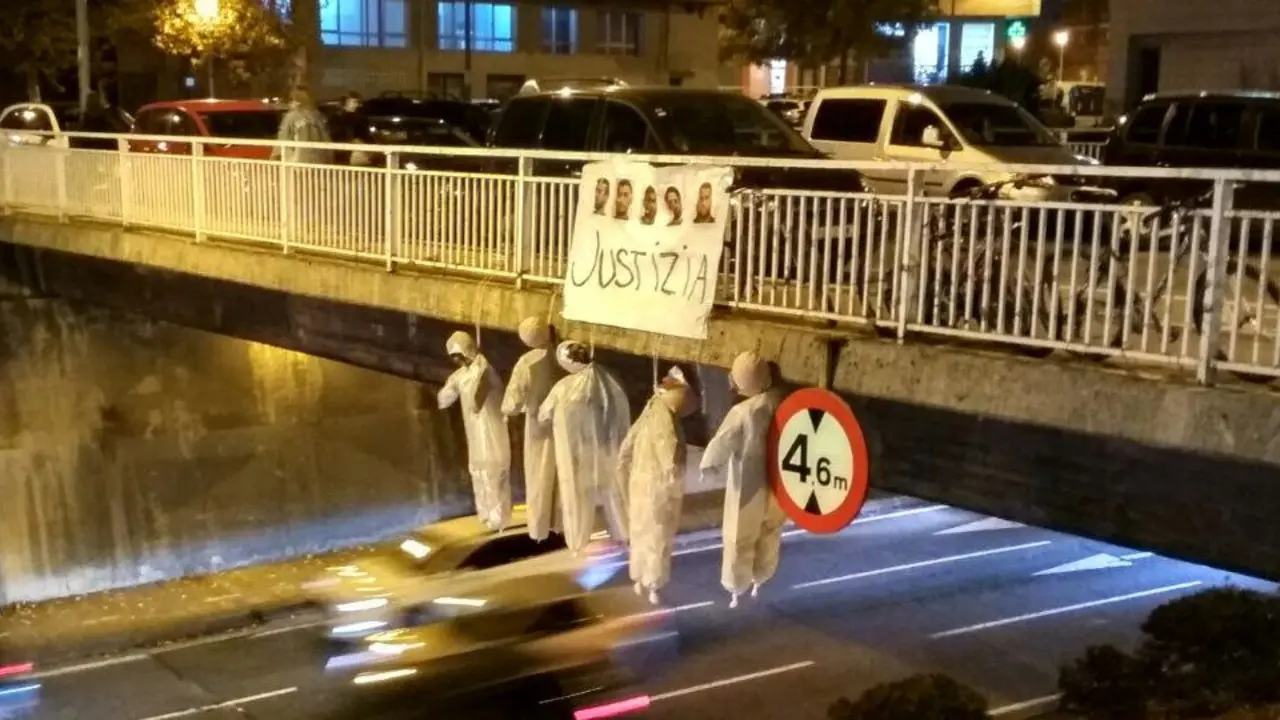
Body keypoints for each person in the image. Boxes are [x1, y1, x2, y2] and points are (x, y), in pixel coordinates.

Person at [701, 351, 784, 608]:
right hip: (779, 482)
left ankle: (737, 586)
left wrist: (708, 465)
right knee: (770, 530)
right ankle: (762, 576)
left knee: (740, 535)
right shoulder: (783, 401)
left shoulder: (742, 411)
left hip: (748, 484)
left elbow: (723, 442)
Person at [538, 340, 631, 552]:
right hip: (605, 449)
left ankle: (577, 539)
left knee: (577, 495)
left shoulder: (562, 388)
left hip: (577, 454)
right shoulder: (608, 378)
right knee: (613, 491)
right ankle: (625, 531)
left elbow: (544, 414)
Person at [619, 367, 693, 605]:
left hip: (639, 483)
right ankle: (653, 582)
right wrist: (673, 477)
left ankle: (639, 578)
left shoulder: (651, 408)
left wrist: (623, 470)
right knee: (658, 537)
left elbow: (627, 446)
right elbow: (668, 449)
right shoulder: (664, 415)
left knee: (639, 532)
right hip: (658, 488)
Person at [438, 331, 512, 531]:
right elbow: (444, 399)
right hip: (474, 433)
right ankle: (485, 514)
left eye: (458, 355)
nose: (457, 360)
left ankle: (499, 519)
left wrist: (465, 390)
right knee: (478, 472)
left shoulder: (485, 371)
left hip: (491, 431)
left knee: (493, 474)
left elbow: (476, 402)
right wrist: (450, 389)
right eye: (453, 357)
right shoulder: (462, 375)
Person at [501, 317, 563, 541]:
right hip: (564, 425)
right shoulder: (562, 355)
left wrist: (507, 411)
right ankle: (561, 522)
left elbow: (512, 403)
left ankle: (540, 528)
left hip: (538, 427)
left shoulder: (526, 363)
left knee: (539, 478)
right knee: (562, 477)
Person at [272, 87, 332, 165]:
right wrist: (330, 156)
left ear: (297, 101)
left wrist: (275, 155)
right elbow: (326, 137)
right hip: (319, 160)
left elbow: (283, 137)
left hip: (298, 160)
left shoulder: (291, 117)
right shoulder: (318, 116)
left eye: (291, 100)